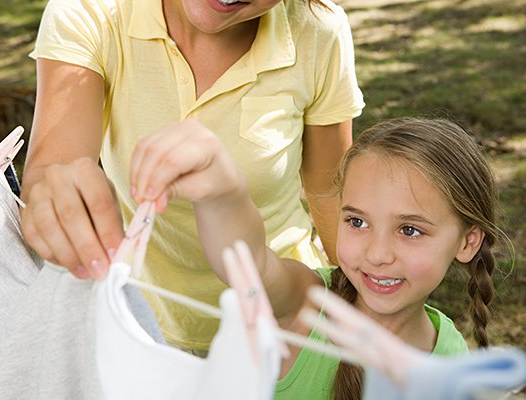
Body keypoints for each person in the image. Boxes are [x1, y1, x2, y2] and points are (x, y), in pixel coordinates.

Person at [20, 0, 365, 353]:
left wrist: (361, 302)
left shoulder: (318, 30)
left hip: (285, 325)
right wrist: (53, 192)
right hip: (142, 327)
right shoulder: (90, 12)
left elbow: (331, 194)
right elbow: (51, 170)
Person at [124, 117, 498, 399]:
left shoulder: (451, 357)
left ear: (467, 242)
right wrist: (223, 191)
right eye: (357, 221)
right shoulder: (305, 305)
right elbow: (249, 264)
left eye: (410, 230)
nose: (377, 254)